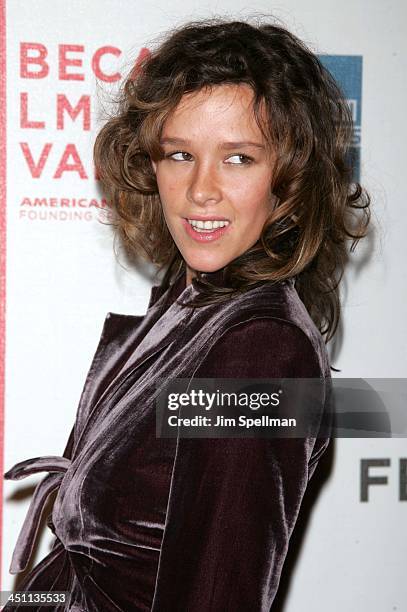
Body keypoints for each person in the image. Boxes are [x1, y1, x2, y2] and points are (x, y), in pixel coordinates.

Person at [3, 16, 370, 612]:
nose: (201, 189)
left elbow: (219, 595)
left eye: (239, 159)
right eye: (180, 154)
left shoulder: (261, 351)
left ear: (289, 181)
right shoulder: (191, 308)